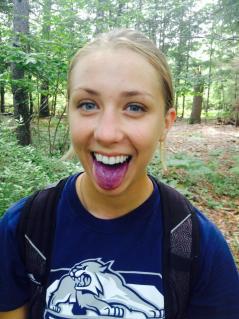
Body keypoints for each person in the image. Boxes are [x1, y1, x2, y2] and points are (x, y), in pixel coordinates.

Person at [0, 29, 238, 319]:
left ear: (165, 123)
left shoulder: (199, 245)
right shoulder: (22, 229)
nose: (107, 133)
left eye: (135, 107)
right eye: (88, 104)